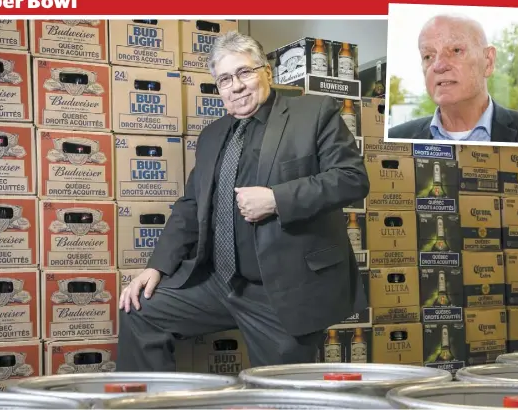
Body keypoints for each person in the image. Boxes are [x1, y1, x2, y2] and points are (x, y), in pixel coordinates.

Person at [116, 31, 370, 371]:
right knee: (139, 311)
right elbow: (190, 205)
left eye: (244, 73)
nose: (236, 86)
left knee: (283, 394)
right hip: (217, 284)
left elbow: (352, 179)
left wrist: (277, 199)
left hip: (281, 291)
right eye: (224, 79)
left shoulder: (314, 113)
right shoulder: (211, 136)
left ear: (267, 71)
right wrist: (156, 266)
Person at [387, 14, 518, 144]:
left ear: (488, 61)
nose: (438, 66)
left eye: (456, 50)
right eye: (428, 56)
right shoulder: (394, 139)